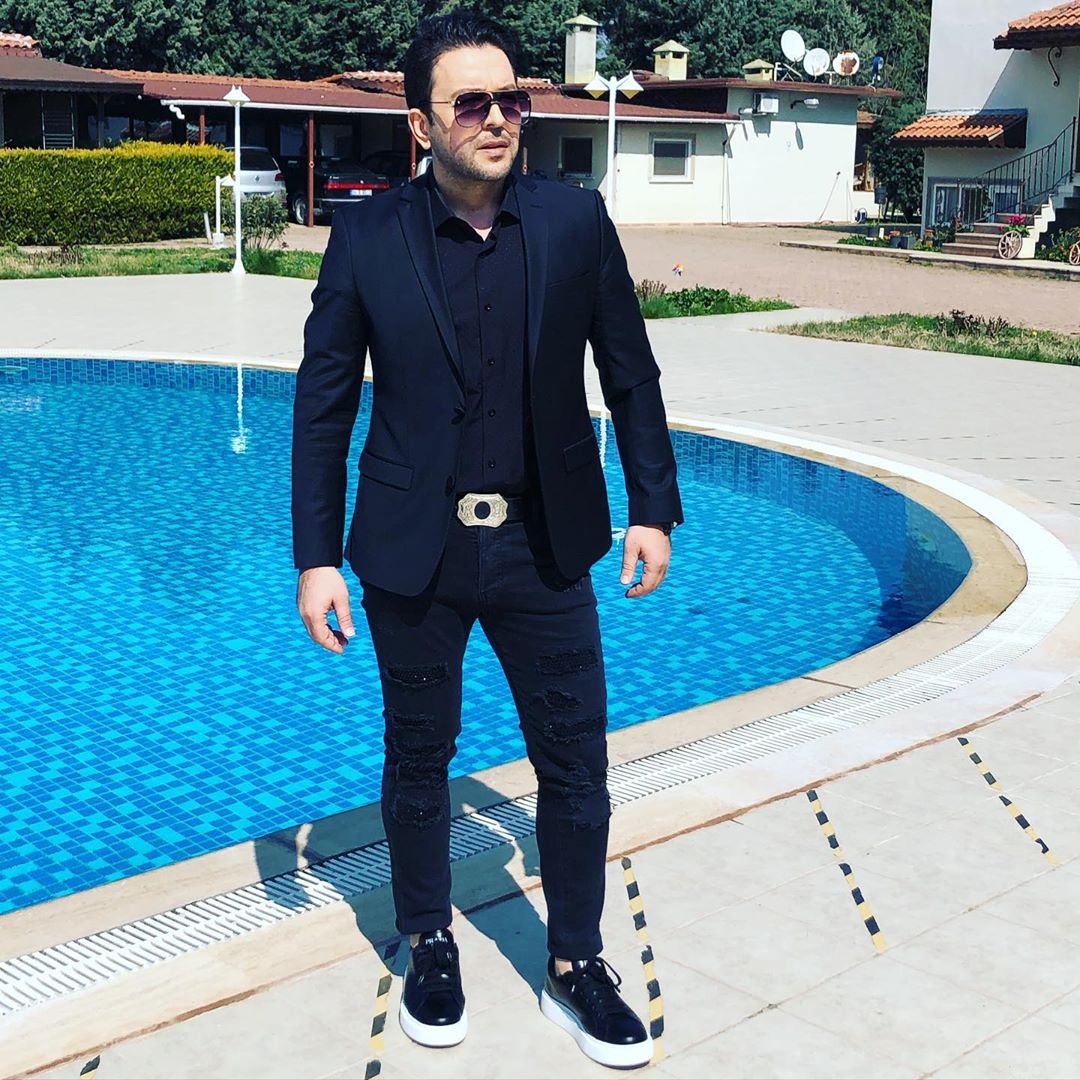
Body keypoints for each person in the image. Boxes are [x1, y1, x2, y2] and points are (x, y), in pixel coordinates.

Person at [291, 9, 683, 1069]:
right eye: (473, 102)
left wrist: (653, 507)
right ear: (422, 125)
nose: (500, 118)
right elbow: (324, 406)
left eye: (513, 98)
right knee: (419, 757)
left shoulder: (574, 223)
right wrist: (316, 557)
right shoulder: (368, 237)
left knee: (576, 761)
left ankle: (575, 962)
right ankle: (429, 940)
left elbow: (630, 372)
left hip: (543, 548)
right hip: (411, 554)